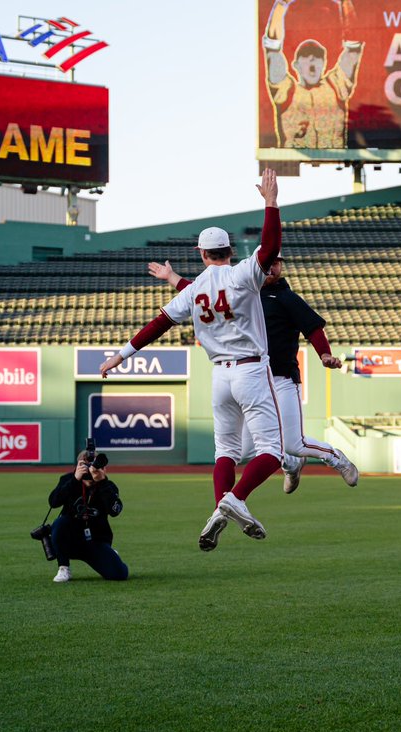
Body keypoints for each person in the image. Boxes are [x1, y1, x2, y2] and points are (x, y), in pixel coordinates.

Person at [100, 169, 285, 552]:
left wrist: (121, 355)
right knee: (272, 452)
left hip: (219, 378)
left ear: (201, 255)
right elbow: (268, 250)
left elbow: (159, 323)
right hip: (251, 369)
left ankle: (218, 511)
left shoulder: (195, 289)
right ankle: (234, 500)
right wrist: (270, 204)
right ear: (230, 252)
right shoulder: (241, 275)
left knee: (225, 453)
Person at [149, 255, 359, 493]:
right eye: (269, 263)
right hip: (254, 379)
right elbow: (199, 293)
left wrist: (324, 354)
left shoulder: (285, 297)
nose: (272, 268)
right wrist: (172, 278)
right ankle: (290, 463)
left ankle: (336, 458)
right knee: (247, 450)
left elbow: (312, 327)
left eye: (277, 263)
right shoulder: (241, 292)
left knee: (294, 442)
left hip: (281, 378)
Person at [263, 0, 363, 149]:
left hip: (337, 162)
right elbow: (272, 48)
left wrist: (345, 2)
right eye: (305, 55)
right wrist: (281, 4)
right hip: (296, 156)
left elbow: (353, 46)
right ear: (295, 65)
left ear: (323, 63)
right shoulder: (286, 91)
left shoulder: (336, 85)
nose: (312, 58)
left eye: (317, 55)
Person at [38, 451, 127, 583]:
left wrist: (102, 482)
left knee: (119, 574)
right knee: (60, 523)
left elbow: (115, 510)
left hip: (96, 541)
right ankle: (63, 567)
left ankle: (109, 553)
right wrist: (75, 479)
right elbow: (54, 502)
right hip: (70, 542)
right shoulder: (68, 479)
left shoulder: (107, 485)